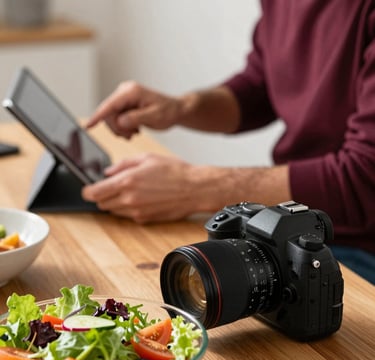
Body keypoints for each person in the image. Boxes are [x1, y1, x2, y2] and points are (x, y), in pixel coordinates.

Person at [82, 0, 375, 284]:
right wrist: (180, 108)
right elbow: (260, 85)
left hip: (356, 244)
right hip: (298, 223)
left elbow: (362, 180)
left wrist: (191, 186)